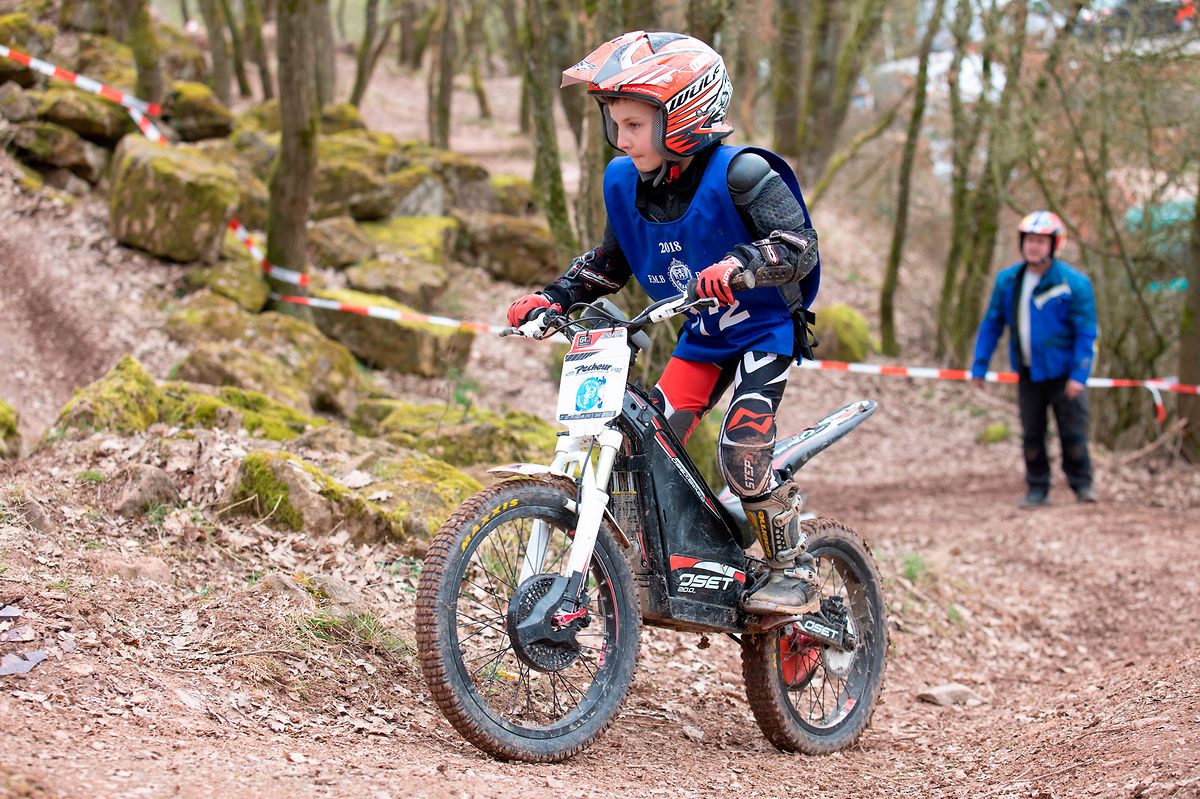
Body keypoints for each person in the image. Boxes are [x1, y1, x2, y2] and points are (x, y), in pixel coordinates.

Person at [506, 31, 822, 616]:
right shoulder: (624, 181)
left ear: (687, 115)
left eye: (634, 125)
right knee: (645, 444)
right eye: (615, 124)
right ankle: (678, 562)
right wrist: (554, 297)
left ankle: (792, 565)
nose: (621, 139)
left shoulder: (744, 173)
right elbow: (612, 263)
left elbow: (799, 246)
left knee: (742, 447)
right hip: (702, 340)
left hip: (763, 332)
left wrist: (742, 263)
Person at [971, 210, 1099, 508]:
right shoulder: (1008, 281)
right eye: (1029, 240)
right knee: (1032, 433)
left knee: (1073, 433)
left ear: (1054, 244)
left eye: (1040, 241)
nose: (1033, 246)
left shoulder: (1074, 283)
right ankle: (1038, 488)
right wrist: (980, 364)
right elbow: (992, 323)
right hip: (1028, 372)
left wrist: (1079, 375)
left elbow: (1086, 332)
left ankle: (1083, 485)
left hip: (1064, 373)